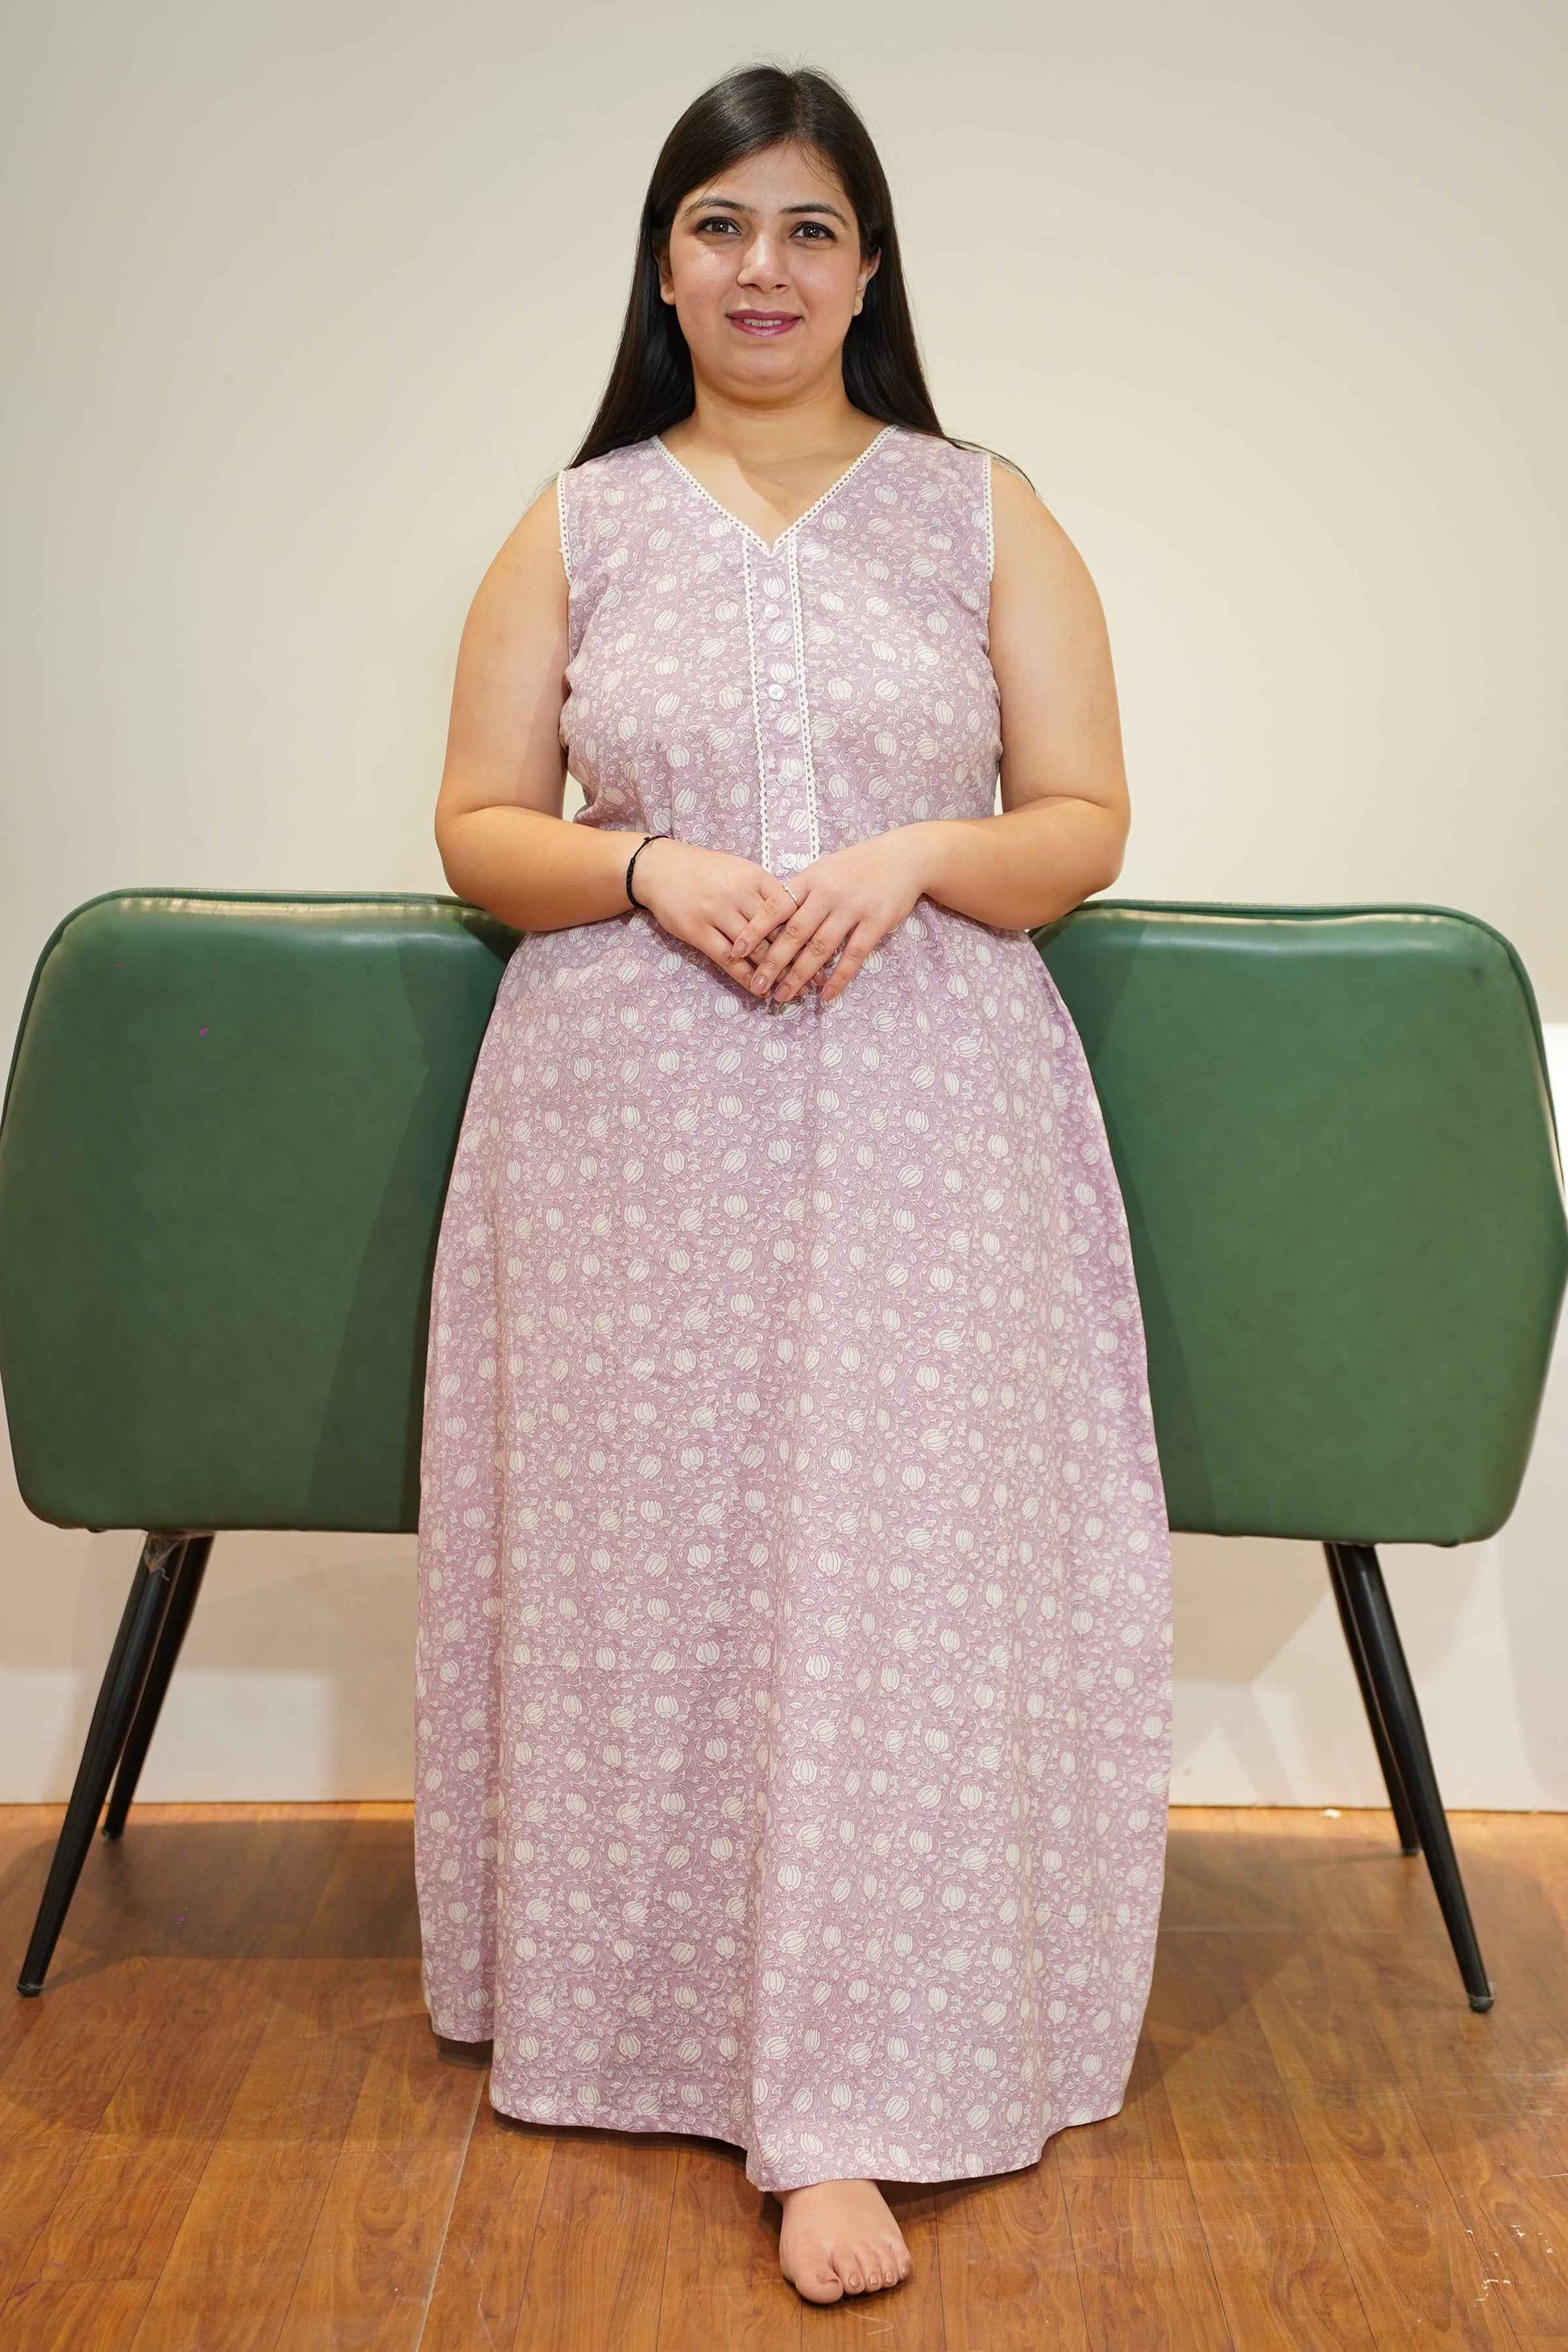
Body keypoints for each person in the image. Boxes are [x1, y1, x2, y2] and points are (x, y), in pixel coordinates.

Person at [413, 60, 1173, 2308]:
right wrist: (647, 865)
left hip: (932, 1117)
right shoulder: (575, 524)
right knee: (651, 1579)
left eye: (808, 228)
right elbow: (475, 828)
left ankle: (844, 2098)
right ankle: (653, 2028)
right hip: (623, 1137)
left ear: (868, 269)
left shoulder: (979, 511)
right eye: (721, 225)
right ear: (663, 266)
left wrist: (916, 854)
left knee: (901, 1583)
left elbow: (1081, 822)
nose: (765, 268)